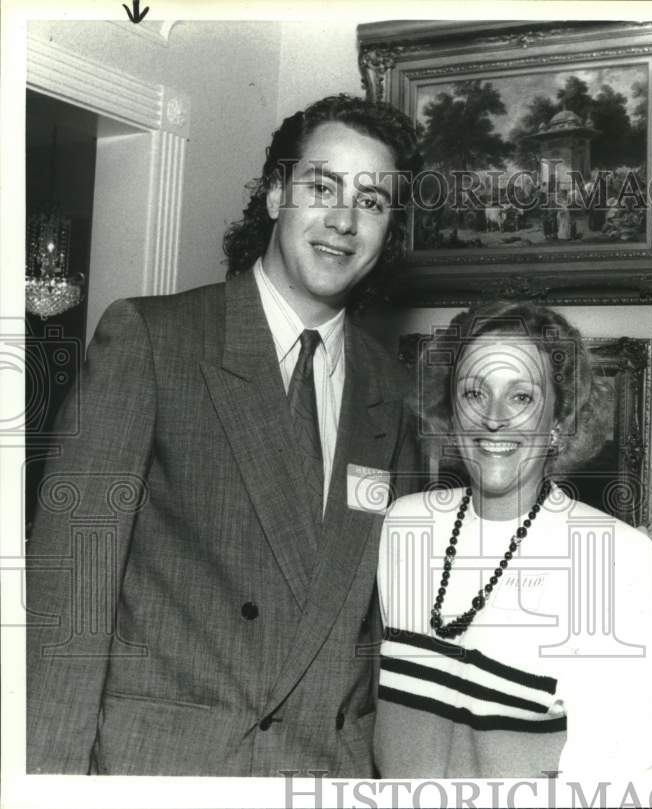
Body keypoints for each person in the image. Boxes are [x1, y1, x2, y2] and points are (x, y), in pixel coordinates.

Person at [26, 94, 422, 776]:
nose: (343, 221)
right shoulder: (153, 340)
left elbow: (391, 630)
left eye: (373, 201)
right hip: (170, 769)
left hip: (325, 773)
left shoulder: (393, 388)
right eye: (321, 186)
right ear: (274, 194)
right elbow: (70, 597)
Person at [373, 302, 652, 779]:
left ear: (559, 419)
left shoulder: (617, 558)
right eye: (474, 392)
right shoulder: (400, 529)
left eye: (521, 397)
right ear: (450, 411)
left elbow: (621, 774)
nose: (494, 418)